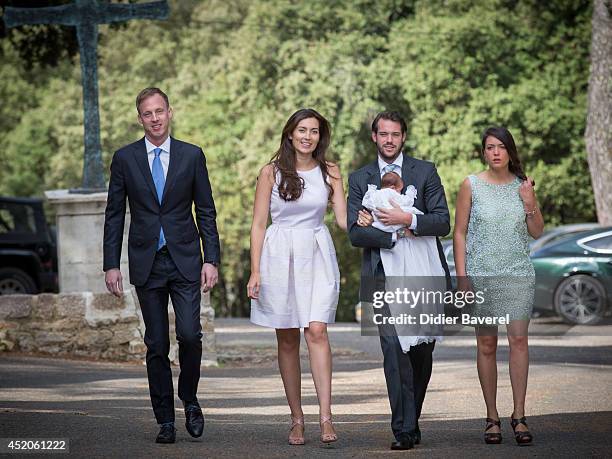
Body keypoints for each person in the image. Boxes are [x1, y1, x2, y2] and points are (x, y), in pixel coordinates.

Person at [103, 87, 220, 444]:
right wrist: (111, 264)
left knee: (189, 335)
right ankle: (165, 421)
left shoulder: (191, 155)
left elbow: (206, 211)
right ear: (140, 118)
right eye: (147, 114)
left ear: (170, 112)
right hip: (146, 262)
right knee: (155, 344)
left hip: (185, 259)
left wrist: (211, 258)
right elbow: (114, 214)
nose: (154, 119)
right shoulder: (125, 158)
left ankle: (190, 398)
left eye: (159, 111)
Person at [348, 111, 450, 450]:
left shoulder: (426, 171)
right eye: (383, 134)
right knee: (393, 349)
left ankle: (412, 417)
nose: (389, 139)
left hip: (423, 274)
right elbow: (355, 233)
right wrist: (388, 236)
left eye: (395, 134)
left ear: (403, 137)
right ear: (374, 137)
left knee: (421, 349)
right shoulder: (360, 178)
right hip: (380, 276)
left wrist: (407, 218)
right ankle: (403, 429)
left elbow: (442, 222)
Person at [247, 108, 346, 446]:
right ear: (290, 134)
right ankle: (297, 418)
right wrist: (255, 270)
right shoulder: (270, 172)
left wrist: (378, 215)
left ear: (321, 136)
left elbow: (345, 222)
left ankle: (325, 416)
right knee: (288, 337)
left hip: (317, 252)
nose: (308, 136)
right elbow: (259, 224)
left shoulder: (330, 171)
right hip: (279, 255)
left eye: (314, 131)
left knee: (316, 330)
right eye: (302, 130)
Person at [453, 126, 543, 446]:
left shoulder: (523, 186)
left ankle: (519, 415)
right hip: (482, 275)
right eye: (490, 147)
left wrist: (530, 202)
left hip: (518, 272)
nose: (495, 152)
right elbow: (460, 233)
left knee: (518, 340)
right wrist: (462, 277)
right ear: (484, 152)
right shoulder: (471, 185)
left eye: (501, 147)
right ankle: (492, 416)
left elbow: (536, 231)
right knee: (487, 345)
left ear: (509, 151)